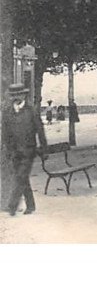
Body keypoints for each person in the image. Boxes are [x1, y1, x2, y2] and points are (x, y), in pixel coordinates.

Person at [3, 83, 48, 216]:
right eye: (13, 95)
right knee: (23, 178)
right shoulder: (7, 111)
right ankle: (31, 205)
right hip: (14, 151)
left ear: (24, 95)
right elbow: (5, 134)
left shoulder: (31, 111)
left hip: (29, 151)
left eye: (18, 94)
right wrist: (7, 150)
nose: (16, 97)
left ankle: (12, 206)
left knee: (20, 176)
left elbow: (40, 131)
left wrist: (44, 149)